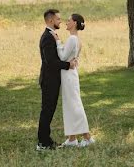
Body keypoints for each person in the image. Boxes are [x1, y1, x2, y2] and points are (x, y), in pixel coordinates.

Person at [36, 9, 77, 151]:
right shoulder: (47, 37)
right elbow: (51, 61)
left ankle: (46, 140)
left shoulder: (52, 35)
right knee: (47, 111)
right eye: (58, 19)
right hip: (49, 80)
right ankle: (42, 143)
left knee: (49, 110)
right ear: (51, 20)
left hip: (52, 80)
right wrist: (68, 65)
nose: (60, 21)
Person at [56, 13, 94, 148]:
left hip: (68, 75)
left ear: (75, 23)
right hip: (70, 74)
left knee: (75, 105)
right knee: (70, 105)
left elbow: (63, 57)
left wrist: (58, 42)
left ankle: (87, 137)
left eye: (69, 21)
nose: (66, 22)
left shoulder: (72, 39)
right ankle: (72, 139)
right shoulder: (76, 39)